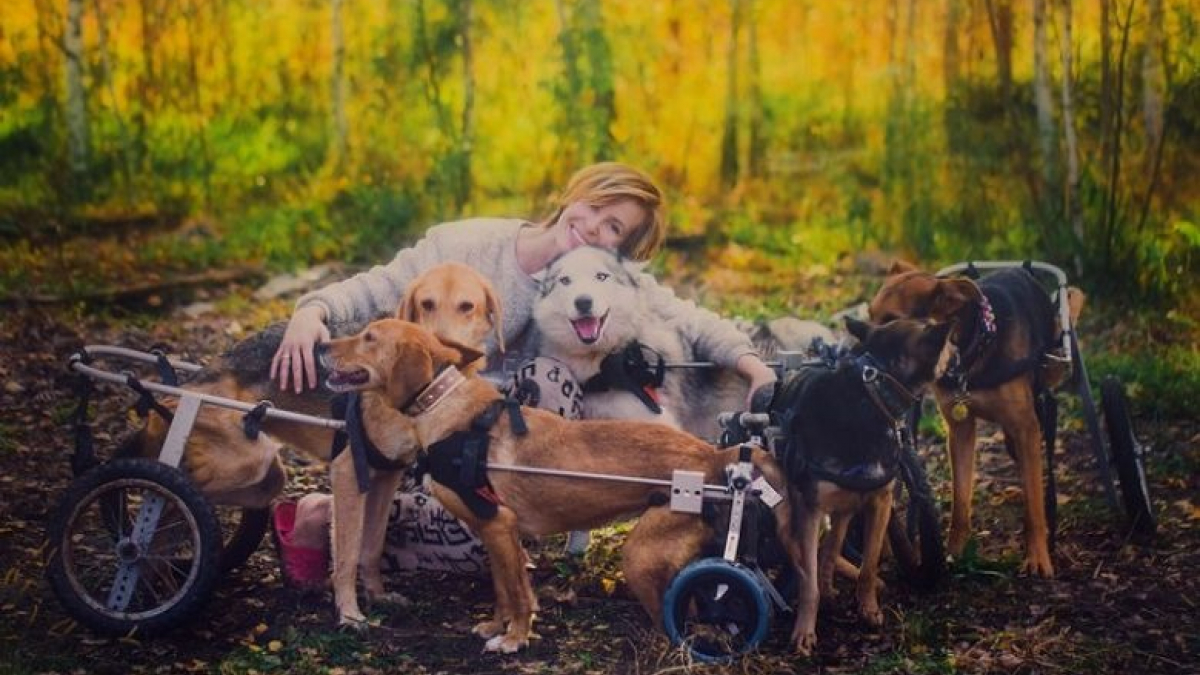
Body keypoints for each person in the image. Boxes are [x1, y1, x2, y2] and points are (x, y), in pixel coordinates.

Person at [270, 162, 778, 586]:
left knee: (548, 380)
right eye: (597, 208)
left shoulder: (590, 288)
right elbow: (377, 287)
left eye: (614, 229)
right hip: (427, 431)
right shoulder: (467, 245)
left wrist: (750, 363)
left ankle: (449, 527)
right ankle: (330, 516)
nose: (596, 228)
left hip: (502, 453)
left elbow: (685, 316)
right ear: (574, 195)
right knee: (481, 523)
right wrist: (311, 310)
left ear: (617, 252)